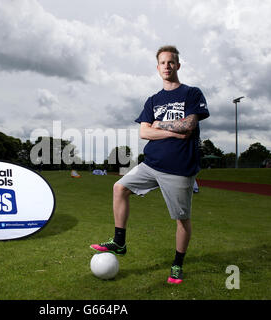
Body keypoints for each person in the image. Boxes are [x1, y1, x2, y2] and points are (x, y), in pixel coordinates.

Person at [90, 45, 210, 284]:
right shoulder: (153, 100)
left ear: (178, 65)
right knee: (119, 188)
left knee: (181, 219)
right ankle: (119, 241)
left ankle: (177, 265)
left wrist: (159, 126)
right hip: (151, 164)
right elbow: (144, 132)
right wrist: (171, 130)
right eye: (162, 63)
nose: (167, 66)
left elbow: (188, 127)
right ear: (158, 68)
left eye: (171, 62)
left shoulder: (192, 94)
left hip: (179, 169)